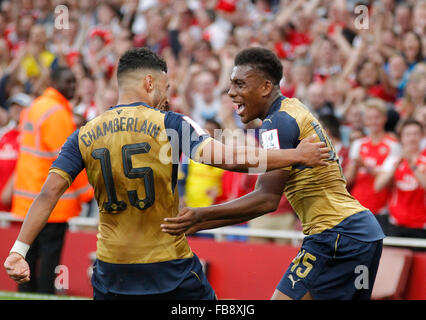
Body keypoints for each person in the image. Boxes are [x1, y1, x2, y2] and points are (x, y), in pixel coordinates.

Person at [4, 47, 329, 300]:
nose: (168, 95)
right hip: (166, 265)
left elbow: (48, 192)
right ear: (149, 82)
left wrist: (19, 251)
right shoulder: (170, 123)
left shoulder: (84, 133)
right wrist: (294, 154)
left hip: (110, 269)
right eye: (165, 86)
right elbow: (224, 158)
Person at [162, 47, 385, 300]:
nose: (231, 92)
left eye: (240, 84)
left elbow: (266, 198)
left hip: (335, 235)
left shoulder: (276, 122)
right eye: (231, 84)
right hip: (357, 233)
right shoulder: (292, 110)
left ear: (266, 87)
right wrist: (197, 223)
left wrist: (200, 217)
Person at [9, 66, 94, 294]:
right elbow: (68, 161)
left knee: (27, 260)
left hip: (29, 201)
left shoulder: (34, 107)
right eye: (69, 82)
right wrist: (88, 193)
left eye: (75, 83)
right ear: (55, 82)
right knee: (48, 265)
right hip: (52, 204)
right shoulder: (57, 113)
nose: (73, 88)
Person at [344, 98, 401, 232]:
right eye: (369, 118)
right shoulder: (359, 144)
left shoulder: (394, 145)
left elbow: (391, 180)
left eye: (377, 117)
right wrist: (354, 167)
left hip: (381, 208)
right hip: (357, 205)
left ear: (384, 118)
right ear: (365, 120)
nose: (373, 121)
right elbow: (349, 179)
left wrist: (365, 166)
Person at [375, 119, 426, 240]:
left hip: (421, 224)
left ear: (422, 136)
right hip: (396, 222)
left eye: (415, 134)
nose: (412, 138)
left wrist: (412, 165)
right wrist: (397, 165)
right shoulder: (393, 160)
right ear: (401, 138)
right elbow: (378, 186)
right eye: (408, 134)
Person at [0, 93, 32, 211]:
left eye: (21, 106)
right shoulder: (3, 134)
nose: (17, 110)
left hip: (19, 203)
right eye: (14, 106)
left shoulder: (31, 136)